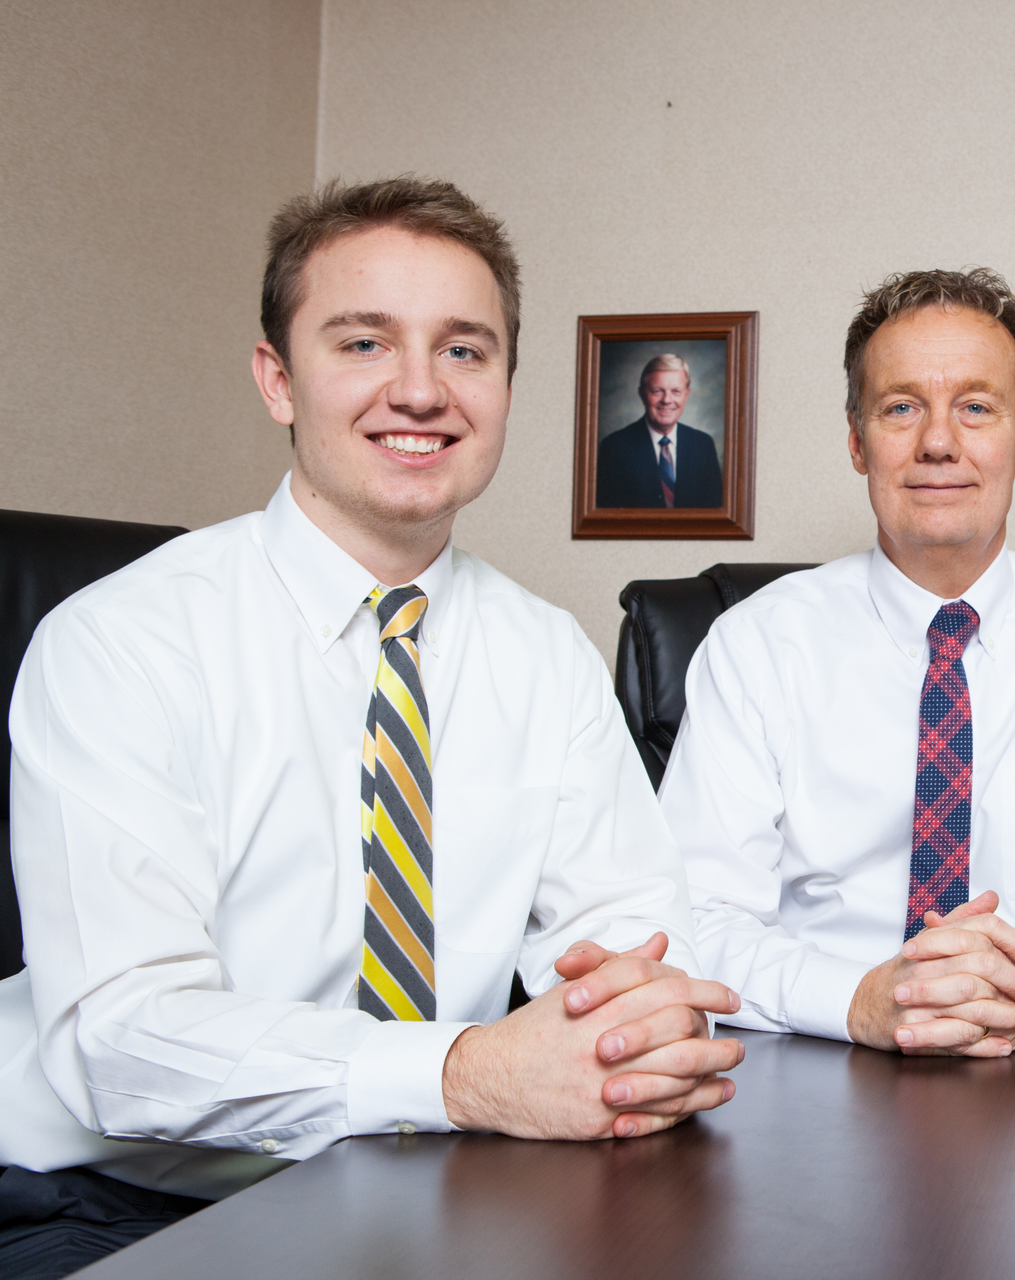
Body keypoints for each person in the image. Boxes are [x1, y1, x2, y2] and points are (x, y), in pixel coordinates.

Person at [0, 177, 744, 1277]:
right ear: (276, 380)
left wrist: (635, 1037)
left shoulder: (549, 656)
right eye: (361, 342)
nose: (419, 389)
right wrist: (462, 1072)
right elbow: (121, 1040)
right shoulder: (119, 642)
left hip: (445, 1182)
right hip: (119, 1202)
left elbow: (637, 952)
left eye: (463, 350)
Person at [659, 268, 1015, 1056]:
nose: (938, 443)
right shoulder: (756, 646)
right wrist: (855, 1001)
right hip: (812, 1057)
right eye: (901, 408)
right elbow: (696, 915)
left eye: (977, 408)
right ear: (858, 441)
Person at [596, 354, 725, 508]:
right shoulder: (614, 448)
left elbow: (715, 515)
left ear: (687, 394)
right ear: (642, 394)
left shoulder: (703, 445)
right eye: (657, 391)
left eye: (676, 391)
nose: (667, 400)